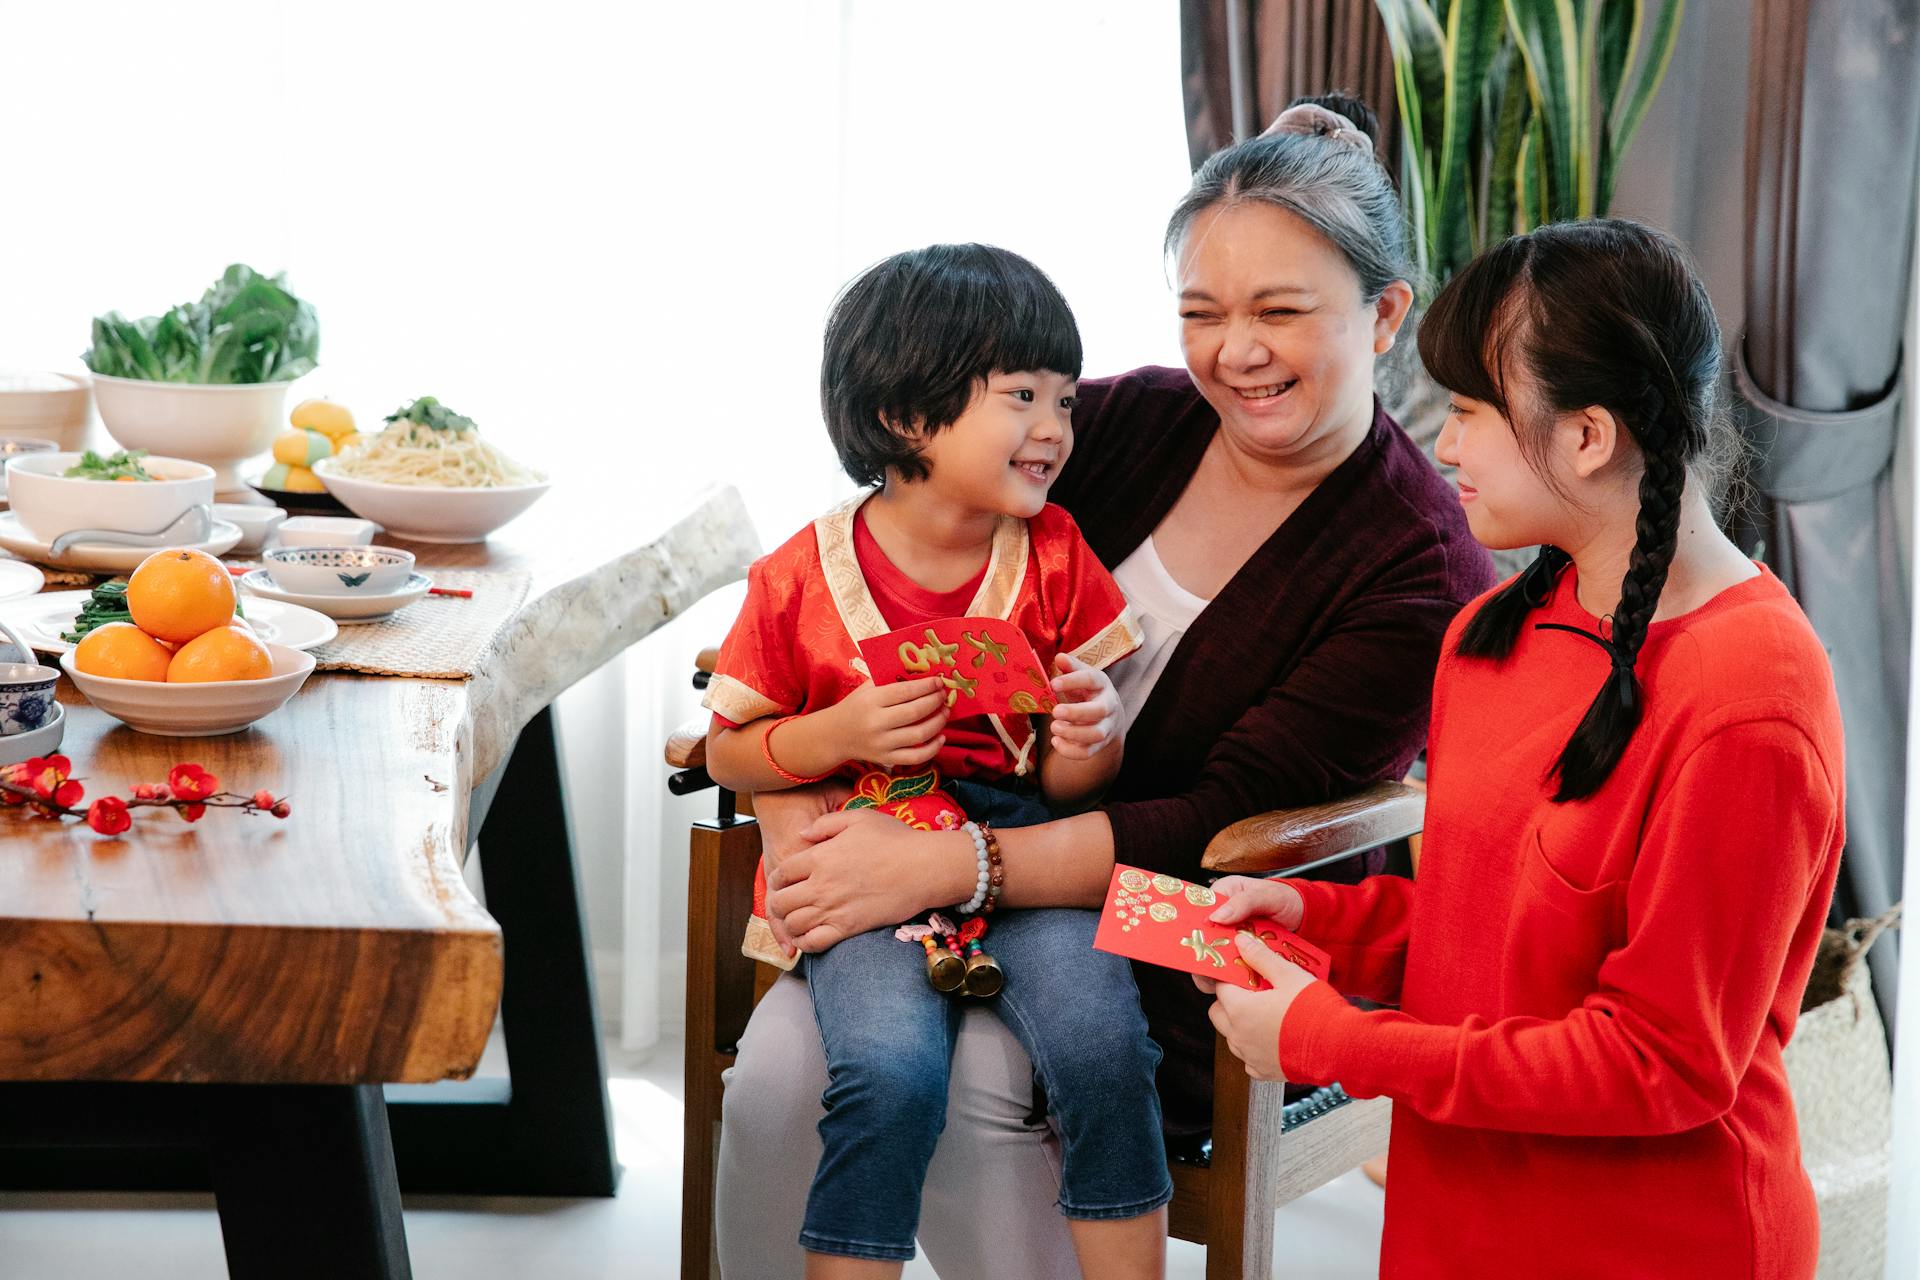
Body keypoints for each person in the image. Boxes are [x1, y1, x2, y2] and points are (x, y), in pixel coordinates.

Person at [715, 96, 1495, 1278]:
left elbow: (1218, 830)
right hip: (938, 851)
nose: (1236, 351)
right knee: (781, 1065)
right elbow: (885, 561)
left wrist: (954, 864)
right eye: (1203, 312)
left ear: (1384, 313)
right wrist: (818, 822)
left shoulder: (1418, 562)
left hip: (1202, 911)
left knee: (988, 1074)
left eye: (1281, 311)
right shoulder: (1121, 423)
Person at [1200, 219, 1844, 1278]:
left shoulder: (1752, 700)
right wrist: (1320, 916)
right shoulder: (1490, 633)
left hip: (1653, 1243)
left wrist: (1331, 1040)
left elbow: (1661, 1063)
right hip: (1455, 1215)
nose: (1441, 444)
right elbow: (1488, 928)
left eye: (1466, 410)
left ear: (1588, 435)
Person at [702, 242, 1172, 1278]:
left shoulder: (1056, 557)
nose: (1055, 426)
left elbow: (1063, 785)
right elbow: (729, 750)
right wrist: (839, 736)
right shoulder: (797, 578)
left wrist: (1092, 743)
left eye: (1064, 399)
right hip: (874, 853)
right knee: (884, 1070)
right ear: (908, 418)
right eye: (1022, 396)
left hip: (1027, 855)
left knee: (1104, 1049)